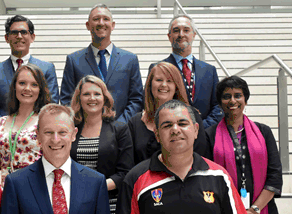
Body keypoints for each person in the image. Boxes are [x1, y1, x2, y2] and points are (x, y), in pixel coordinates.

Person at [117, 100, 247, 214]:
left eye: (182, 123)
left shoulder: (220, 176)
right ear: (157, 135)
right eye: (167, 125)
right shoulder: (135, 180)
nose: (175, 130)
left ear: (196, 130)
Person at [1, 104, 110, 214]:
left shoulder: (95, 182)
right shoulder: (16, 183)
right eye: (48, 132)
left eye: (62, 132)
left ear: (73, 134)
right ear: (38, 136)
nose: (56, 140)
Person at [205, 76, 282, 214]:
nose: (232, 101)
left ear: (245, 100)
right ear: (220, 102)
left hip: (263, 209)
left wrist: (254, 210)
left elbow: (275, 175)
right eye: (227, 96)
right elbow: (207, 178)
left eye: (238, 95)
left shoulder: (264, 132)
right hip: (224, 209)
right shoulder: (209, 135)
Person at [60, 3, 143, 125]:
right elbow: (67, 99)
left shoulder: (130, 59)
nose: (101, 23)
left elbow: (136, 99)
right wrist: (87, 126)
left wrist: (119, 125)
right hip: (85, 130)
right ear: (88, 25)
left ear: (113, 25)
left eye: (106, 19)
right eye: (96, 19)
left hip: (122, 132)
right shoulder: (73, 60)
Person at [0, 15, 59, 133]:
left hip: (37, 138)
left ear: (32, 37)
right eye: (14, 32)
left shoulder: (47, 69)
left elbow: (51, 106)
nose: (19, 36)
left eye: (24, 32)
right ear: (6, 38)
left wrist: (32, 133)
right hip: (4, 138)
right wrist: (6, 132)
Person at [70, 75, 134, 214]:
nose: (92, 98)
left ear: (104, 98)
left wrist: (96, 187)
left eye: (97, 94)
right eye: (86, 94)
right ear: (79, 99)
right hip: (76, 203)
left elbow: (125, 173)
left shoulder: (120, 129)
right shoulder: (70, 129)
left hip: (110, 204)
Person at [128, 62, 211, 164]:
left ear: (176, 86)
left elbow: (201, 156)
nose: (164, 85)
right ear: (150, 84)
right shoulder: (135, 122)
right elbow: (130, 163)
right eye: (159, 80)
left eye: (169, 81)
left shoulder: (191, 116)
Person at [149, 14, 222, 129]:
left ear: (194, 35)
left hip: (205, 136)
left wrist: (201, 128)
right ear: (169, 36)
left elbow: (218, 105)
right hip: (171, 134)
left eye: (186, 30)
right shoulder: (158, 68)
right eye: (176, 31)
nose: (181, 34)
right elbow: (150, 103)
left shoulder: (209, 70)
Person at [0, 63, 51, 186]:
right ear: (14, 87)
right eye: (22, 83)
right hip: (5, 188)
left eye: (34, 84)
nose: (27, 88)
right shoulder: (0, 123)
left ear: (40, 90)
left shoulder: (45, 122)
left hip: (34, 187)